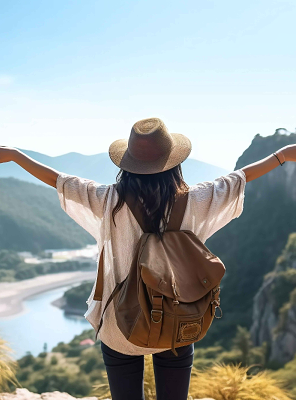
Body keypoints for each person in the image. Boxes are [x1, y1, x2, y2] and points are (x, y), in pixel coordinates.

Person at [0, 117, 295, 400]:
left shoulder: (108, 201)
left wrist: (15, 156)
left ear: (128, 164)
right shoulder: (197, 199)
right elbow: (240, 177)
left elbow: (60, 180)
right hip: (179, 319)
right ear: (174, 162)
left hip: (122, 325)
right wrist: (282, 155)